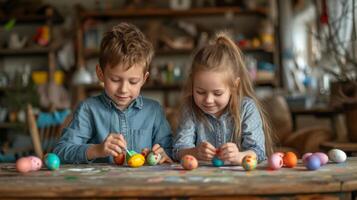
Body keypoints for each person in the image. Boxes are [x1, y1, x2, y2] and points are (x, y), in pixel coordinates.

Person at [53, 23, 173, 164]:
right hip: (100, 185)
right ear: (100, 74)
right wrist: (97, 150)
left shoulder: (154, 111)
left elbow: (170, 151)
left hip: (143, 185)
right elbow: (61, 151)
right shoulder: (88, 109)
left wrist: (163, 154)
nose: (123, 89)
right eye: (115, 79)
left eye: (133, 82)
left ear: (144, 79)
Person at [173, 32, 273, 165]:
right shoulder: (190, 108)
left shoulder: (246, 108)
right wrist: (195, 152)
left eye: (217, 93)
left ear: (234, 86)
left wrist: (239, 156)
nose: (208, 100)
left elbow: (258, 152)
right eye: (200, 92)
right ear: (192, 83)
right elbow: (178, 150)